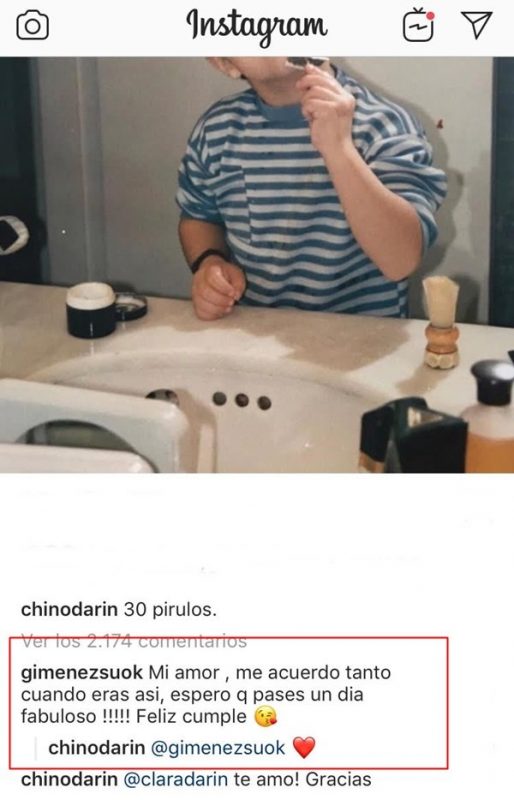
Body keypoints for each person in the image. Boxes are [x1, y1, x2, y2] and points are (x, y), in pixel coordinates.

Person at [176, 58, 447, 321]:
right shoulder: (216, 131)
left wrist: (339, 149)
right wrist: (209, 261)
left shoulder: (385, 125)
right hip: (256, 332)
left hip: (364, 337)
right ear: (224, 63)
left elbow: (401, 261)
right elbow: (199, 217)